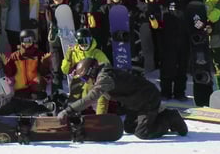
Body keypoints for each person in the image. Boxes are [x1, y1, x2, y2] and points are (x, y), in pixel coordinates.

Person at [57, 58, 188, 139]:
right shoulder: (103, 76)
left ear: (92, 71)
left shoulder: (105, 79)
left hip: (148, 99)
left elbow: (91, 98)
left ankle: (170, 118)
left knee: (143, 133)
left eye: (85, 78)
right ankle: (156, 116)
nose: (86, 81)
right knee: (129, 128)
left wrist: (68, 111)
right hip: (135, 103)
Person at [61, 29, 111, 113]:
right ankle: (76, 115)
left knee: (102, 94)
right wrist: (68, 58)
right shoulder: (74, 53)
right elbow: (65, 70)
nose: (84, 44)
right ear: (77, 41)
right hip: (79, 81)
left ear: (91, 39)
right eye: (81, 41)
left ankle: (100, 118)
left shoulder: (96, 53)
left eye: (87, 40)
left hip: (94, 80)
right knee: (77, 96)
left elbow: (107, 66)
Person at [2, 29, 52, 99]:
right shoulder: (15, 56)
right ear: (21, 41)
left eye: (30, 40)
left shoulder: (39, 54)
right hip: (20, 88)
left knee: (39, 83)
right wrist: (7, 65)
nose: (27, 43)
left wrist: (45, 64)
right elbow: (10, 73)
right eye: (25, 40)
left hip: (35, 88)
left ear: (33, 40)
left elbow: (44, 73)